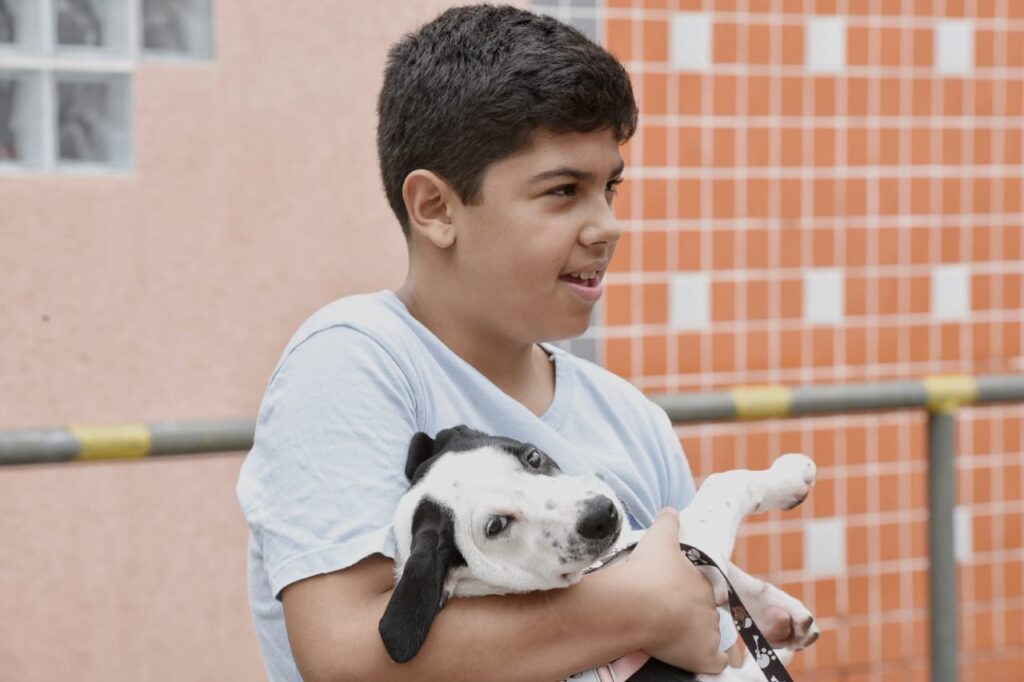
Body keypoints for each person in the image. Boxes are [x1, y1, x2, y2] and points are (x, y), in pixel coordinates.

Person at [237, 5, 738, 680]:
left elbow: (707, 634)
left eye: (610, 188)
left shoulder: (631, 419)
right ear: (436, 208)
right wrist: (633, 606)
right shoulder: (356, 361)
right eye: (564, 191)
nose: (606, 226)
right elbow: (348, 658)